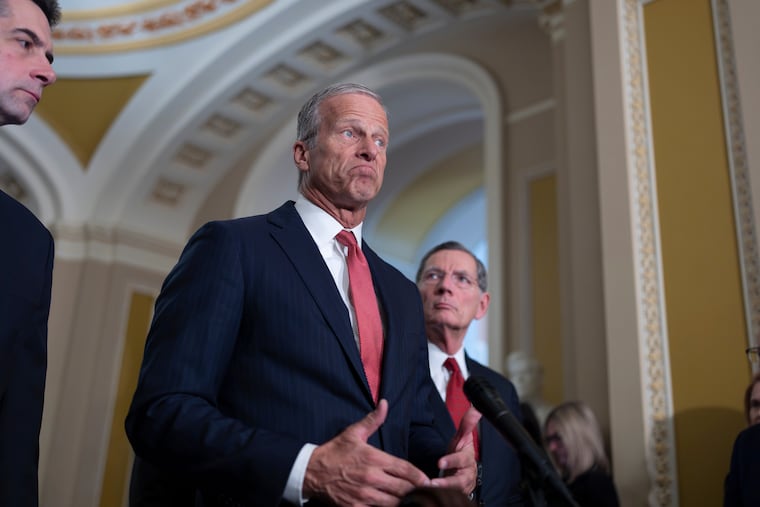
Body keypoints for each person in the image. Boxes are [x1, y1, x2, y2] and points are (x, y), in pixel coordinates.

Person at [125, 83, 478, 506]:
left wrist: (450, 461)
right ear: (302, 153)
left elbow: (412, 424)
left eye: (380, 140)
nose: (370, 149)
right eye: (350, 133)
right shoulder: (234, 247)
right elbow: (163, 412)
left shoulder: (401, 293)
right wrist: (304, 468)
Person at [0, 1, 59, 506]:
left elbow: (15, 436)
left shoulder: (28, 242)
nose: (48, 71)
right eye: (25, 43)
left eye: (50, 54)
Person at [416, 241, 525, 506]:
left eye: (462, 279)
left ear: (482, 305)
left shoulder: (502, 389)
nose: (445, 287)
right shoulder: (392, 374)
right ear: (414, 294)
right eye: (433, 276)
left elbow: (513, 487)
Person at [543, 402, 619, 507]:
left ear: (579, 438)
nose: (552, 447)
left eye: (558, 438)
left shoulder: (598, 486)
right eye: (549, 440)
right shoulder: (562, 484)